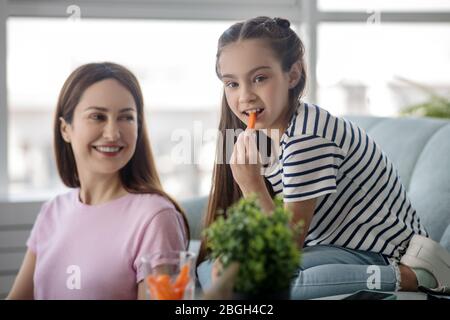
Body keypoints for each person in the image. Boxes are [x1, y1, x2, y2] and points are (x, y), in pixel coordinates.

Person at [197, 16, 450, 299]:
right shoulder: (268, 135)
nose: (244, 96)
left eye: (259, 78)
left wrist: (251, 185)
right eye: (232, 84)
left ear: (292, 75)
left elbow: (286, 246)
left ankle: (409, 278)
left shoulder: (307, 137)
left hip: (388, 254)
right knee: (211, 268)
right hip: (334, 248)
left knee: (255, 282)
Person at [7, 62, 189, 300]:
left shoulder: (155, 218)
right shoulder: (52, 212)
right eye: (97, 116)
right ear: (65, 129)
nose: (113, 133)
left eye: (126, 117)